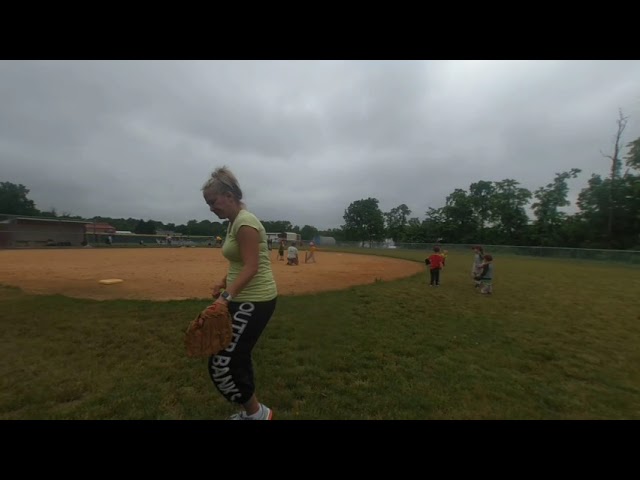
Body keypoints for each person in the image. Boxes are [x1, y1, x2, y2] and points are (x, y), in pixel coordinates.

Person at [201, 166, 278, 420]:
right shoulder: (233, 221)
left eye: (213, 202)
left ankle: (257, 414)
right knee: (233, 355)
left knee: (225, 360)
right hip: (243, 298)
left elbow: (253, 266)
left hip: (254, 300)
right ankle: (255, 413)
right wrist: (223, 282)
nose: (211, 207)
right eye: (208, 203)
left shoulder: (245, 222)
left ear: (230, 196)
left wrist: (225, 298)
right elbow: (239, 262)